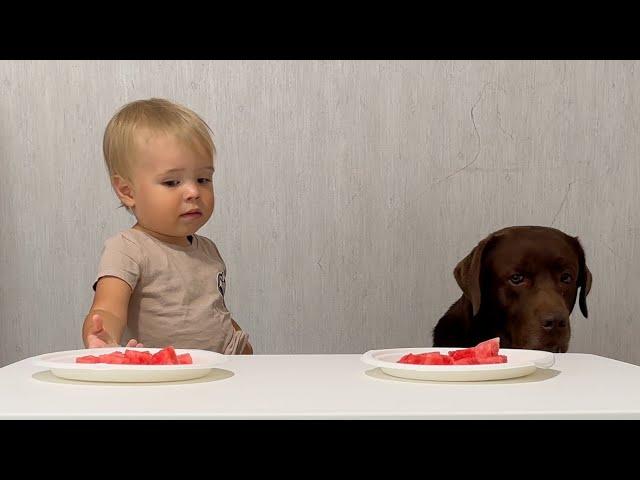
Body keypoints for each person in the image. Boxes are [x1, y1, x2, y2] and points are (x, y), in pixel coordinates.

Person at [81, 98, 252, 354]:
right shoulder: (128, 248)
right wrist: (103, 335)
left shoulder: (207, 249)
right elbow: (107, 307)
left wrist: (240, 340)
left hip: (218, 370)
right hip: (164, 377)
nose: (194, 191)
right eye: (172, 182)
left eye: (203, 179)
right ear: (127, 191)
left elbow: (211, 311)